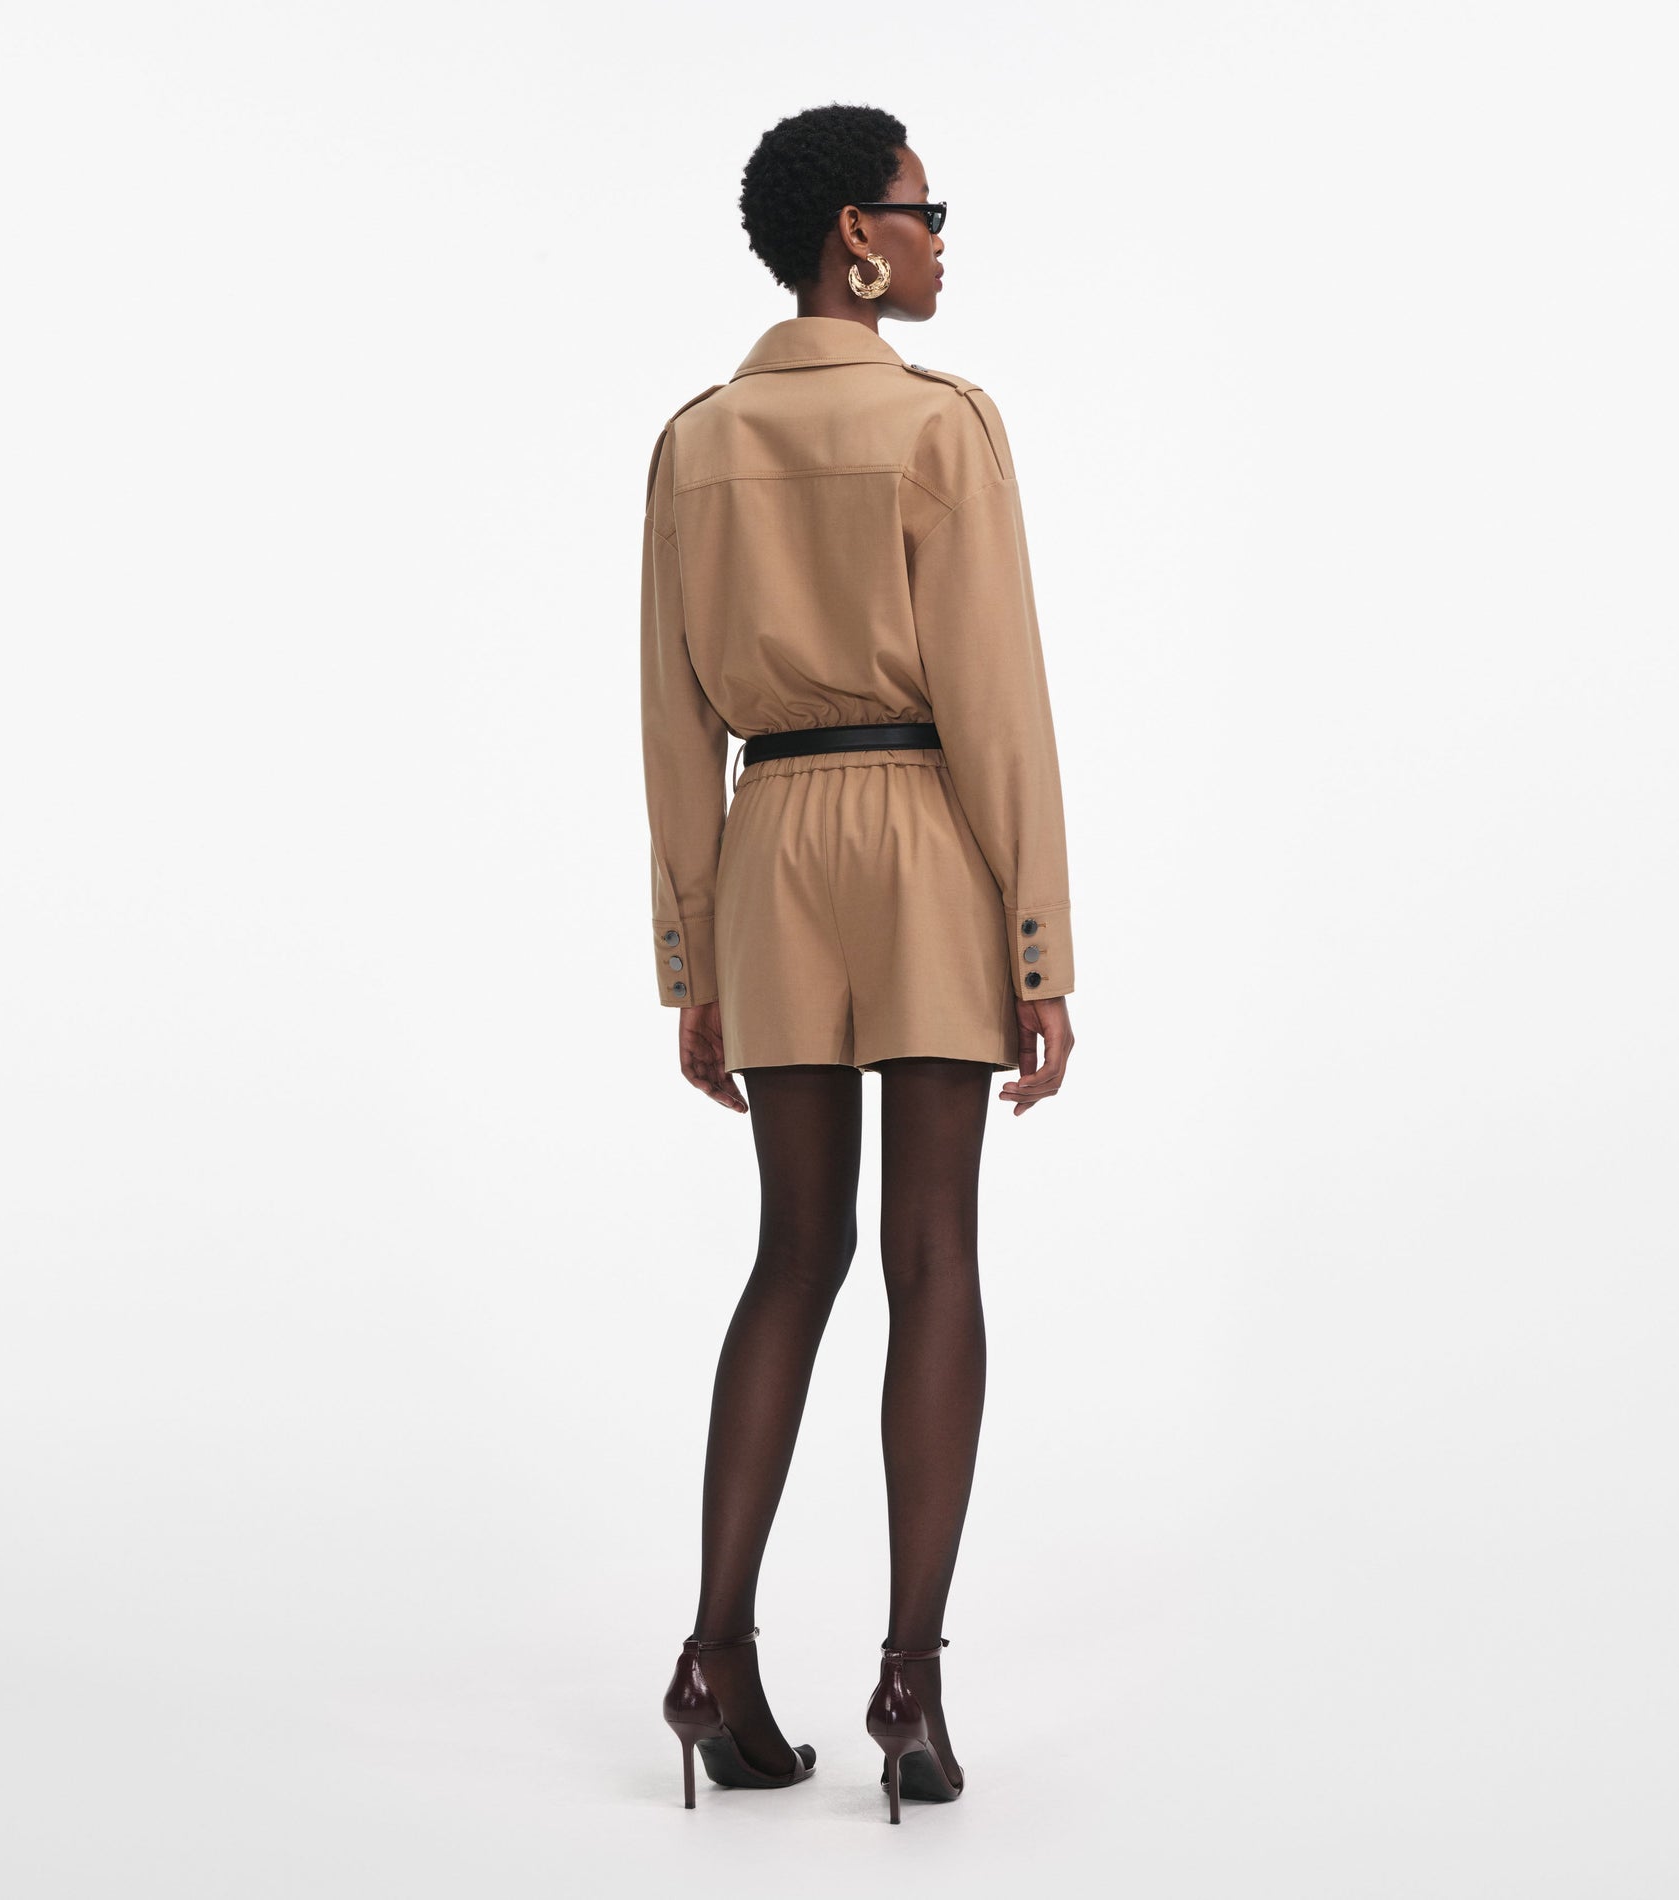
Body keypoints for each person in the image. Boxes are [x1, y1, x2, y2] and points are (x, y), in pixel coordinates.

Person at [641, 102, 1077, 1824]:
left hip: (768, 840)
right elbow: (997, 697)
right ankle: (909, 1683)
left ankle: (712, 1657)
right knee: (932, 1252)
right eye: (923, 208)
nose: (941, 238)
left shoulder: (694, 441)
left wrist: (693, 957)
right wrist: (1038, 940)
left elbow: (672, 719)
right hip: (919, 828)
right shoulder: (940, 425)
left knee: (793, 1252)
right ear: (858, 239)